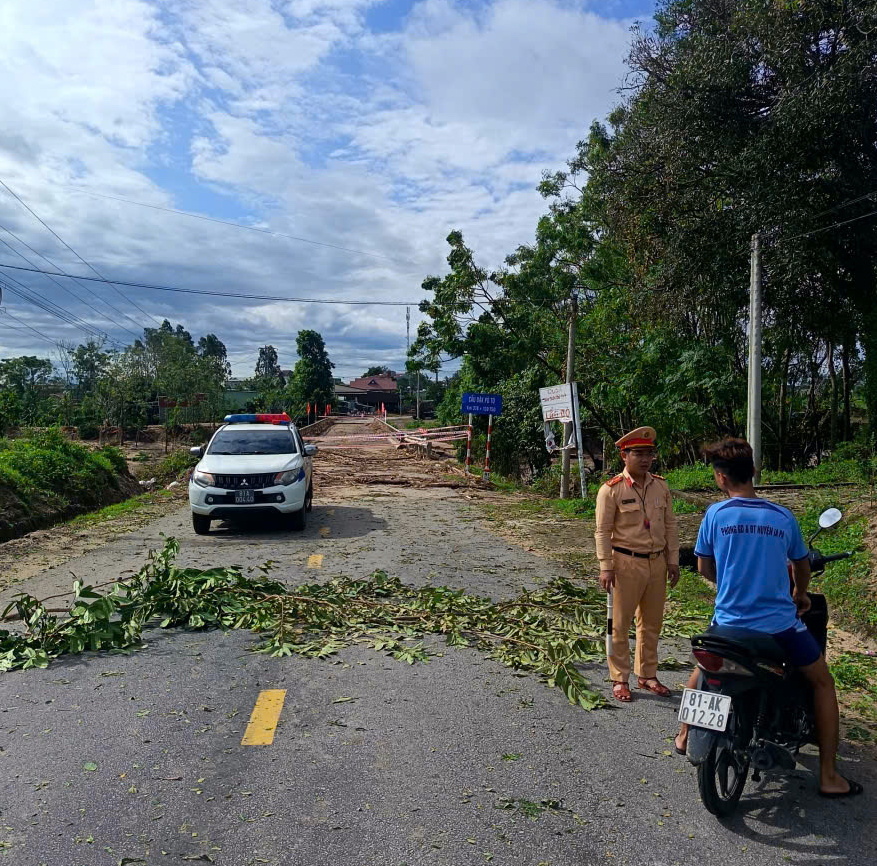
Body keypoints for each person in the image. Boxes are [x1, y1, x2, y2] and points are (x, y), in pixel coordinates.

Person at [673, 438, 862, 799]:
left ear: (720, 477)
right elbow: (802, 566)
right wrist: (800, 594)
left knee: (702, 670)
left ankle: (683, 735)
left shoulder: (715, 515)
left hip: (727, 626)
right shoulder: (782, 517)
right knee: (823, 683)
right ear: (754, 472)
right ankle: (828, 775)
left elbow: (704, 567)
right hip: (779, 629)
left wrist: (728, 583)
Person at [595, 427, 680, 702]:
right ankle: (619, 678)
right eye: (638, 454)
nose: (645, 459)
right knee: (619, 624)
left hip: (656, 562)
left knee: (652, 623)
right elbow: (602, 531)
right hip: (625, 563)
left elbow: (670, 525)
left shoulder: (661, 486)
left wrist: (673, 560)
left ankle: (647, 674)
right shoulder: (611, 490)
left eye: (649, 454)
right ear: (625, 455)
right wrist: (606, 566)